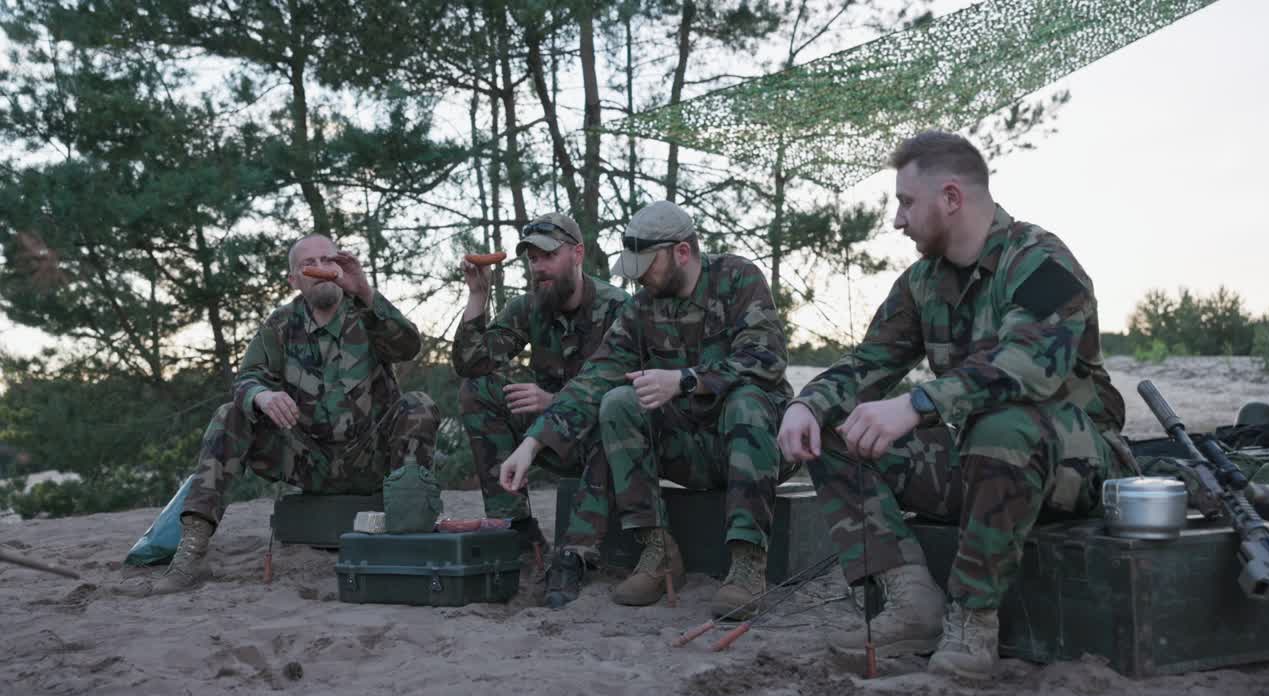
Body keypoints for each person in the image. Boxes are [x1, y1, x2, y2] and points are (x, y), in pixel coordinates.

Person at [777, 131, 1129, 679]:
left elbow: (1026, 367)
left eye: (906, 202)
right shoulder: (923, 283)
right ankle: (911, 602)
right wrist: (808, 405)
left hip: (1073, 465)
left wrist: (917, 404)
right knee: (840, 433)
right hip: (980, 461)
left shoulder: (1041, 262)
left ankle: (972, 620)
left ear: (951, 197)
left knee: (1003, 424)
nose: (897, 220)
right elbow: (870, 362)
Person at [499, 200, 792, 618]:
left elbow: (766, 360)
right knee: (618, 401)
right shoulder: (642, 306)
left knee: (747, 400)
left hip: (756, 444)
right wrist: (531, 444)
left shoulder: (737, 278)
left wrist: (685, 379)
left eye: (646, 265)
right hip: (690, 449)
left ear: (682, 252)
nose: (638, 277)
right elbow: (594, 378)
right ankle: (658, 551)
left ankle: (747, 564)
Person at [128, 234, 440, 595]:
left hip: (371, 456)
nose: (321, 269)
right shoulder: (281, 324)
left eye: (329, 260)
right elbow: (247, 378)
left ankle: (408, 543)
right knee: (231, 414)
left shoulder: (366, 313)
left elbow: (409, 347)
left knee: (419, 404)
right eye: (310, 264)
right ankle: (189, 555)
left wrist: (366, 291)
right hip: (308, 460)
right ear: (294, 279)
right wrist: (262, 396)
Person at [452, 212, 629, 564]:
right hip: (547, 438)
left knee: (616, 406)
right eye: (533, 259)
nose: (539, 268)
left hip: (606, 441)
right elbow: (472, 364)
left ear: (578, 253)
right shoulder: (529, 306)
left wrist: (555, 401)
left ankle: (578, 552)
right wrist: (477, 297)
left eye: (549, 256)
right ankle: (517, 530)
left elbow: (627, 392)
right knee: (478, 388)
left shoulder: (617, 307)